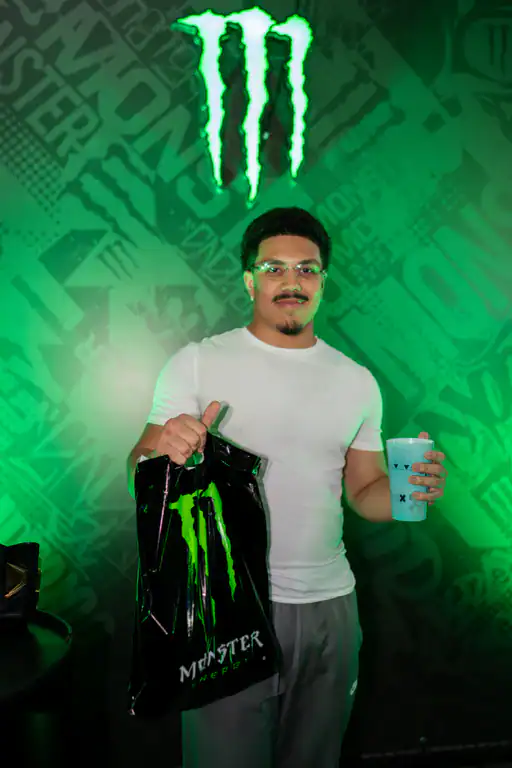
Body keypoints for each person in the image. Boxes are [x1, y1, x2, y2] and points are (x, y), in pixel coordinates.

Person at [127, 207, 447, 767]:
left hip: (330, 608)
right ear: (249, 280)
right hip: (226, 606)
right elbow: (140, 467)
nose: (291, 281)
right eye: (273, 268)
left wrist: (409, 492)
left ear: (324, 281)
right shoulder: (197, 364)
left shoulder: (357, 382)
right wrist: (165, 450)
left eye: (307, 269)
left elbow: (365, 492)